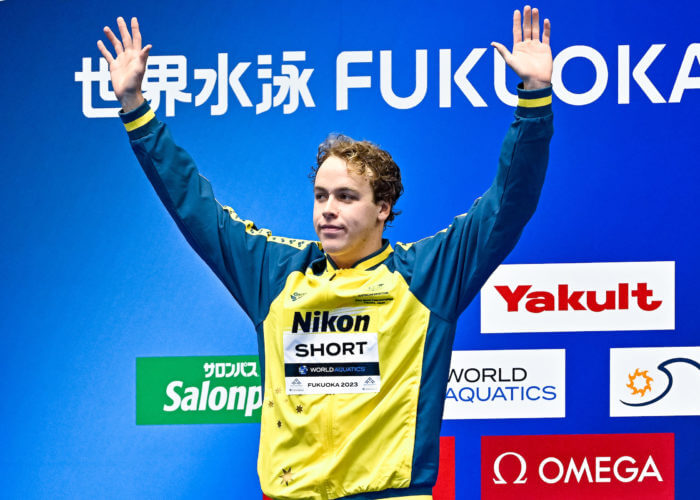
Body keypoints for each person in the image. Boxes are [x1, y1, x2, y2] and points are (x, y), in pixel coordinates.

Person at [98, 6, 553, 500]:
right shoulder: (274, 273)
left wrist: (533, 100)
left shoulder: (428, 274)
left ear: (384, 208)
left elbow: (510, 202)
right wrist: (135, 107)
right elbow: (193, 206)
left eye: (345, 197)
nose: (327, 211)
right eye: (320, 196)